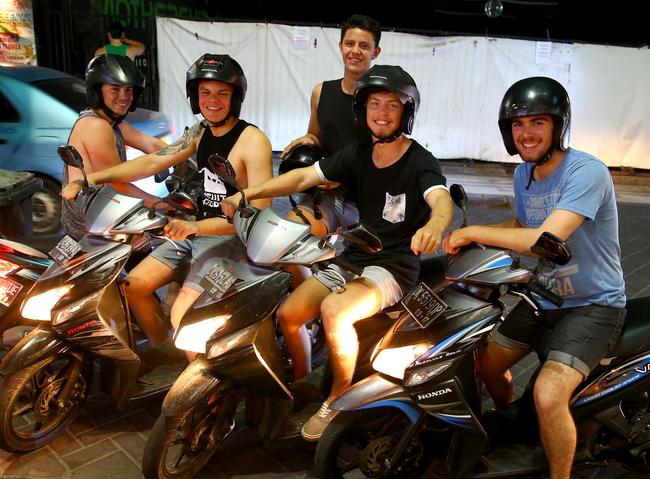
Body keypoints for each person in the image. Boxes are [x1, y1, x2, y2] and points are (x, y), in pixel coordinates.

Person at [222, 65, 454, 441]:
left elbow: (440, 199)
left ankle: (337, 397)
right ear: (361, 110)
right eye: (373, 103)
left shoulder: (420, 161)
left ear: (406, 113)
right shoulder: (359, 153)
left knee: (334, 311)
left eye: (391, 105)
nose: (381, 112)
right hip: (354, 256)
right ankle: (300, 382)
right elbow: (302, 178)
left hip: (393, 267)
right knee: (289, 313)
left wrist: (434, 225)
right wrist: (248, 194)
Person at [442, 77, 626, 479]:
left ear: (558, 126)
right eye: (518, 125)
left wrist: (477, 235)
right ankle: (517, 427)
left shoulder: (587, 172)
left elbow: (546, 239)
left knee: (548, 393)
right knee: (485, 364)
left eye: (538, 123)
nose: (526, 134)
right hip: (544, 296)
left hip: (593, 305)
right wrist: (469, 235)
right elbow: (524, 226)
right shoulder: (525, 174)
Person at [62, 53, 273, 361]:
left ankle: (202, 387)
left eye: (222, 94)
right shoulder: (200, 133)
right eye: (205, 92)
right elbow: (153, 160)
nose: (212, 101)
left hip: (230, 237)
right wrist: (89, 179)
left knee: (183, 315)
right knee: (133, 286)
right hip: (193, 231)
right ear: (194, 96)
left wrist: (197, 226)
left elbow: (258, 214)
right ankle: (166, 357)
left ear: (235, 97)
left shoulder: (253, 141)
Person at [280, 14, 381, 238]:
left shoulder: (380, 104)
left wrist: (345, 175)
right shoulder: (321, 92)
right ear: (340, 46)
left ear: (375, 52)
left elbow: (387, 158)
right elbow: (317, 136)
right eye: (350, 43)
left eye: (364, 46)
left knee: (359, 267)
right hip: (324, 195)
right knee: (288, 237)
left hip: (366, 199)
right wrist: (306, 140)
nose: (355, 51)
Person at [62, 54, 167, 241]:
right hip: (91, 229)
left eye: (128, 90)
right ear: (97, 91)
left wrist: (187, 158)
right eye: (115, 89)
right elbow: (118, 185)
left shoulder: (112, 122)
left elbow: (150, 143)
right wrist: (165, 205)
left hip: (106, 217)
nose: (123, 97)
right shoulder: (96, 126)